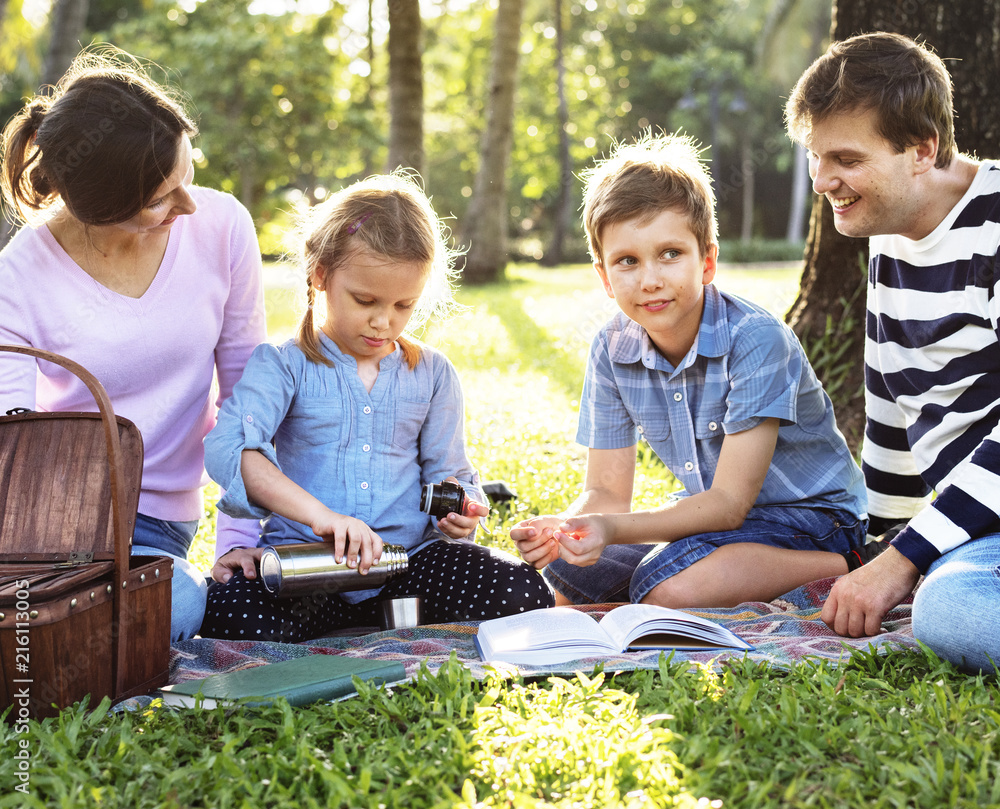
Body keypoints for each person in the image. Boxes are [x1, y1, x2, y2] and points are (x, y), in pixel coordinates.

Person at [510, 133, 868, 610]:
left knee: (668, 586)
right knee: (566, 573)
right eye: (627, 262)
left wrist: (612, 531)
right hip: (712, 525)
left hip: (812, 521)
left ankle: (853, 563)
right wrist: (563, 530)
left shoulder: (756, 339)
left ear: (707, 260)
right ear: (604, 277)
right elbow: (607, 493)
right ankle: (649, 590)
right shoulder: (611, 349)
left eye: (670, 254)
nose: (650, 279)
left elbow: (728, 504)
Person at [199, 171, 553, 642]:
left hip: (407, 567)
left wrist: (461, 513)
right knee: (228, 610)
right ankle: (363, 628)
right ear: (320, 273)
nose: (384, 321)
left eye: (404, 305)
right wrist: (322, 518)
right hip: (306, 566)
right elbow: (232, 450)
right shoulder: (283, 366)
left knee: (521, 590)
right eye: (365, 300)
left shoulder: (432, 373)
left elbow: (450, 474)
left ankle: (362, 628)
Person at [0, 48, 266, 642]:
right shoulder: (17, 279)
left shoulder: (223, 227)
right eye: (159, 198)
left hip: (158, 527)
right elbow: (11, 443)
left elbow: (249, 397)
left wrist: (241, 539)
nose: (188, 204)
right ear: (98, 208)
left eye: (188, 174)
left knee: (179, 603)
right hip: (58, 520)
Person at [786, 32, 1000, 672]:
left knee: (952, 613)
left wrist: (904, 561)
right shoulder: (892, 229)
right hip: (976, 527)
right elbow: (893, 398)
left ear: (922, 150)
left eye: (846, 159)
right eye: (817, 158)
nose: (825, 181)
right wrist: (882, 548)